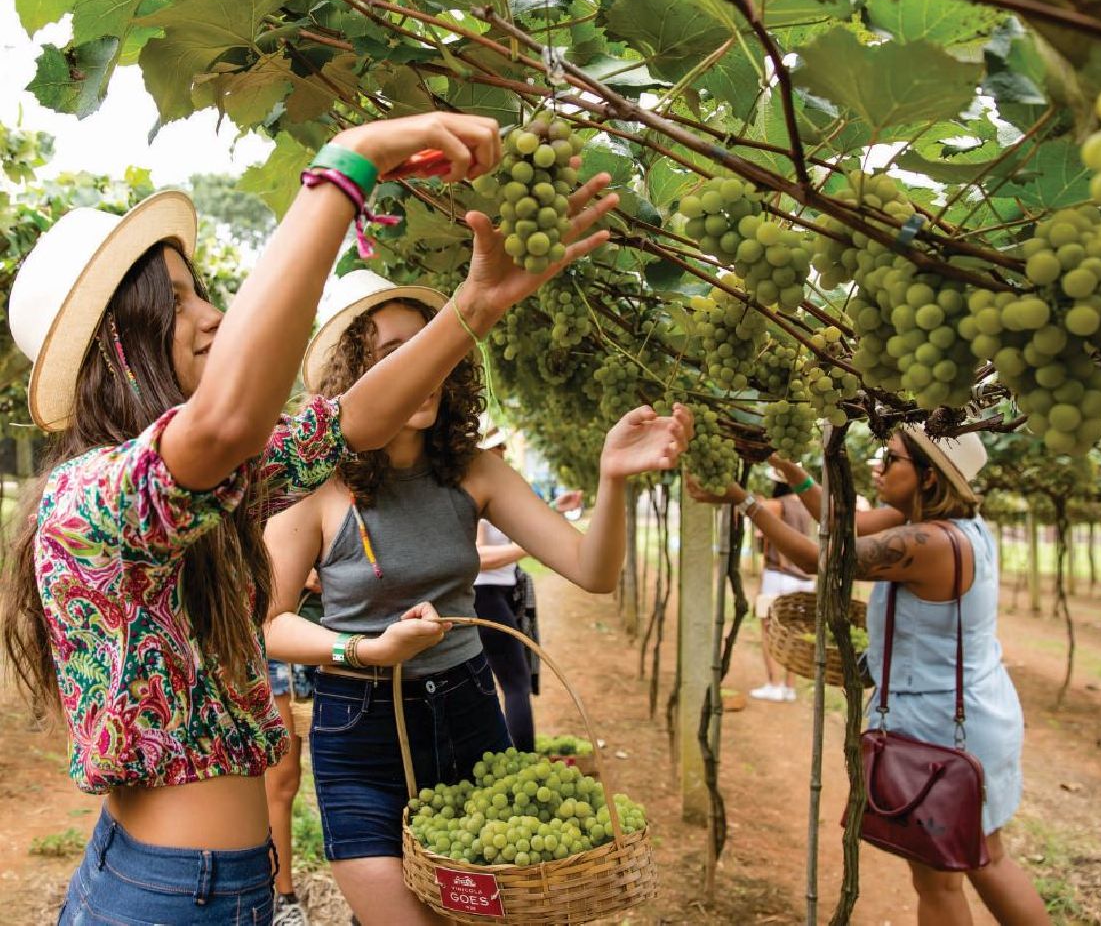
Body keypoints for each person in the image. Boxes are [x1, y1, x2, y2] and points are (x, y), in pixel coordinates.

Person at [0, 111, 616, 923]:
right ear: (117, 341)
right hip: (166, 897)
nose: (212, 315)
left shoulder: (194, 493)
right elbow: (229, 420)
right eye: (177, 301)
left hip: (209, 885)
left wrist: (474, 307)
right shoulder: (93, 499)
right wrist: (348, 166)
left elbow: (348, 424)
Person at [263, 269, 692, 926]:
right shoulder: (319, 490)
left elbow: (591, 569)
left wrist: (612, 480)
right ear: (355, 375)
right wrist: (363, 647)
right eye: (392, 353)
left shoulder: (473, 472)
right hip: (362, 732)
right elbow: (267, 624)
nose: (421, 367)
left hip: (468, 716)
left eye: (433, 346)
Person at [688, 430, 1049, 926]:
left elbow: (824, 560)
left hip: (943, 728)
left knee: (937, 882)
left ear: (927, 475)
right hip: (978, 714)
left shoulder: (931, 542)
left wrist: (746, 501)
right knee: (989, 859)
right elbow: (846, 523)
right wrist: (792, 471)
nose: (878, 466)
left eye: (890, 457)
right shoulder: (954, 525)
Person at [472, 426, 581, 750]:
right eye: (496, 448)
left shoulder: (495, 491)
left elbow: (517, 525)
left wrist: (554, 509)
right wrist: (527, 548)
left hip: (499, 595)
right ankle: (522, 761)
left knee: (500, 683)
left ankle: (505, 755)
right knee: (515, 684)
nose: (502, 453)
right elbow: (476, 557)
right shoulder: (476, 494)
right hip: (485, 597)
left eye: (503, 447)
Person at [265, 570, 322, 925]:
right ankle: (282, 894)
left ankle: (366, 897)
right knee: (282, 778)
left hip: (349, 635)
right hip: (280, 646)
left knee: (354, 772)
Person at [749, 474, 815, 703]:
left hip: (778, 576)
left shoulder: (776, 505)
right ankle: (789, 688)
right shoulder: (806, 507)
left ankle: (773, 684)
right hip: (804, 579)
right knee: (794, 633)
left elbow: (753, 514)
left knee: (768, 628)